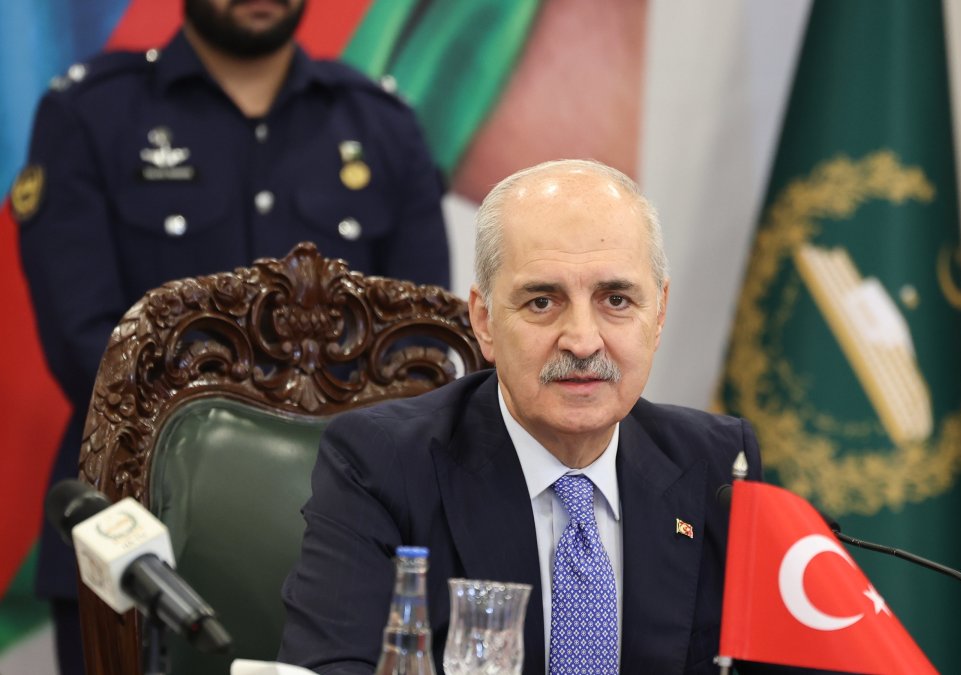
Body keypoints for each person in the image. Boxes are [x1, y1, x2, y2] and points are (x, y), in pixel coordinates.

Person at [13, 1, 449, 672]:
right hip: (140, 536)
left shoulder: (381, 124)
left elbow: (419, 355)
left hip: (354, 544)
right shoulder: (90, 113)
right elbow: (87, 349)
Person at [279, 160, 814, 674]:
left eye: (616, 300)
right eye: (542, 302)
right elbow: (330, 666)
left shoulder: (718, 466)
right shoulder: (382, 463)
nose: (582, 341)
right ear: (485, 321)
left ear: (659, 314)